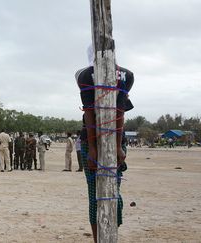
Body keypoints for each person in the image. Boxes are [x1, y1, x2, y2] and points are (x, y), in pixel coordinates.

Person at [76, 45, 134, 242]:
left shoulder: (84, 75)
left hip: (101, 143)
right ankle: (99, 239)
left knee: (109, 195)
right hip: (98, 143)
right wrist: (99, 147)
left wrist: (112, 147)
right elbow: (94, 112)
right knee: (99, 196)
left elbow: (117, 111)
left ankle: (109, 236)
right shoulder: (125, 75)